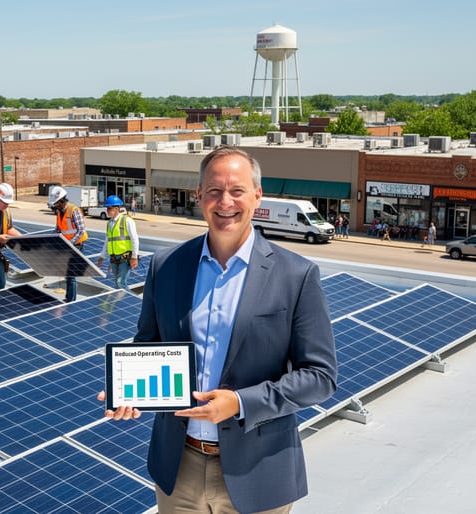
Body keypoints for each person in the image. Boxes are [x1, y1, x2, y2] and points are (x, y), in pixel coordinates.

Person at [99, 146, 337, 514]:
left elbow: (319, 377)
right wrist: (129, 389)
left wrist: (240, 403)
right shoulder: (166, 266)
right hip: (179, 468)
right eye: (213, 190)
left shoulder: (296, 275)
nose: (225, 202)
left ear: (258, 196)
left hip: (258, 471)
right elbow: (149, 344)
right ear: (199, 196)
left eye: (237, 190)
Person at [49, 185, 87, 302]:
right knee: (67, 273)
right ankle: (68, 297)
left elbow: (81, 230)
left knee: (71, 275)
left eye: (56, 203)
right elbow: (58, 229)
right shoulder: (60, 212)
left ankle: (71, 300)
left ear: (61, 201)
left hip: (76, 245)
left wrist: (70, 243)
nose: (55, 205)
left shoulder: (74, 210)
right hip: (67, 246)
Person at [96, 195, 139, 291]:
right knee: (117, 284)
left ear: (116, 208)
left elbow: (134, 239)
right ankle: (123, 302)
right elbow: (107, 241)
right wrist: (102, 256)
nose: (107, 210)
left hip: (124, 257)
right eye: (107, 208)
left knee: (121, 283)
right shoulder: (109, 223)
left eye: (109, 208)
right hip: (114, 259)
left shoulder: (127, 220)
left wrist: (134, 257)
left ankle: (133, 303)